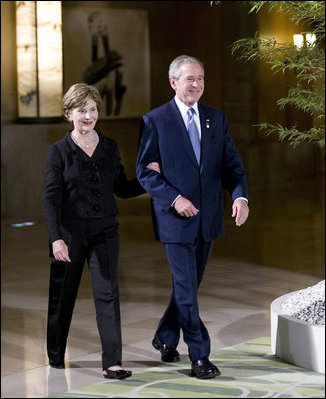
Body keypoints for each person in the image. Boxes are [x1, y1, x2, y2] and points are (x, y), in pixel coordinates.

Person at [136, 55, 249, 379]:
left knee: (188, 287)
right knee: (186, 288)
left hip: (208, 218)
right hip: (175, 219)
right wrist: (175, 198)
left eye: (200, 78)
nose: (196, 84)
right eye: (190, 79)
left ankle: (165, 337)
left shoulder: (216, 118)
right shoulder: (155, 121)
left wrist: (240, 196)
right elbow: (144, 170)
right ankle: (199, 356)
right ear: (173, 82)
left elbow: (232, 166)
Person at [43, 82, 155, 380]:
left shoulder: (109, 147)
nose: (89, 116)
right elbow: (51, 200)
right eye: (82, 110)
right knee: (63, 296)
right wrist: (56, 239)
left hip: (106, 230)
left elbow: (121, 187)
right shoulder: (59, 152)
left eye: (93, 110)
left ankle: (113, 363)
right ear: (69, 114)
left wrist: (148, 178)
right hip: (69, 234)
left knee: (107, 294)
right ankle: (55, 353)